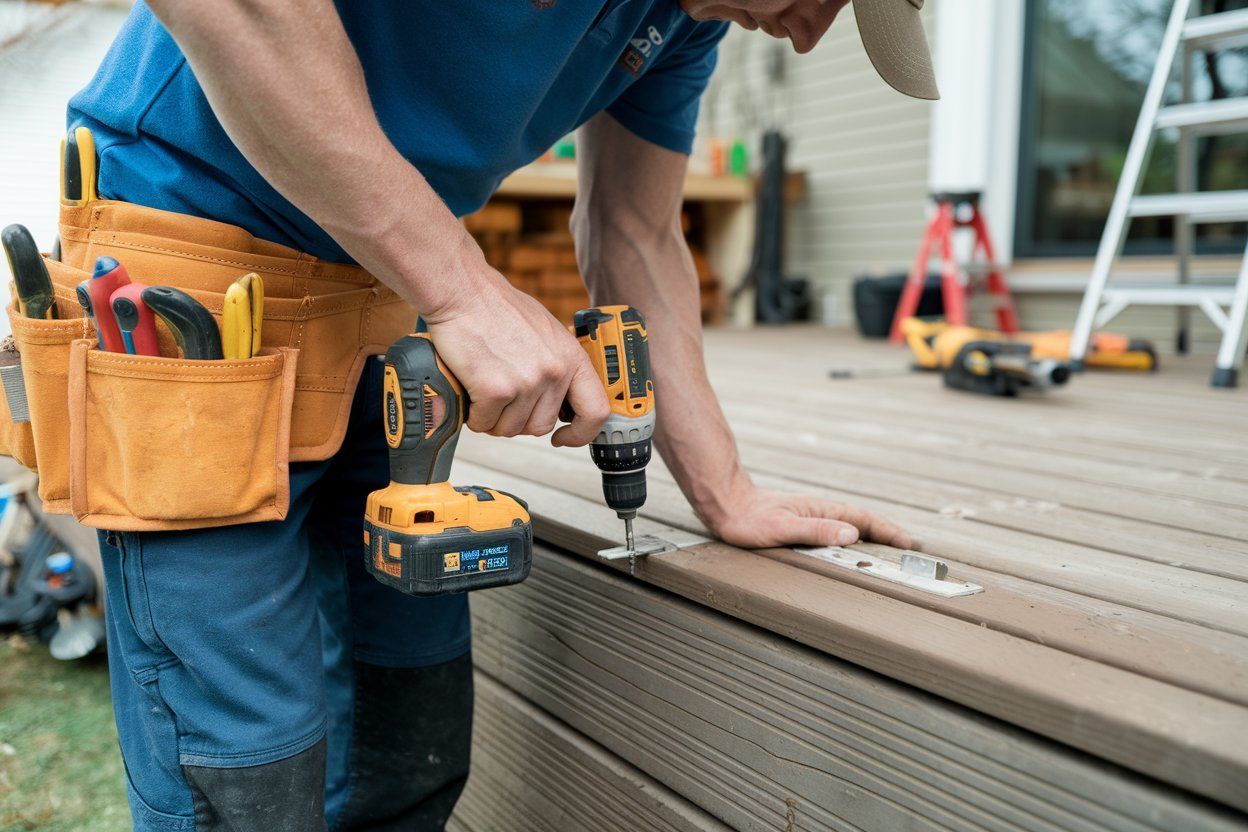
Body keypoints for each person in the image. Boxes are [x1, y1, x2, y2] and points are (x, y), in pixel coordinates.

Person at [67, 0, 936, 828]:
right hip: (199, 275)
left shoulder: (680, 22)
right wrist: (459, 286)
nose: (813, 36)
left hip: (386, 292)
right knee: (248, 772)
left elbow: (633, 228)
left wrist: (726, 490)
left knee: (407, 731)